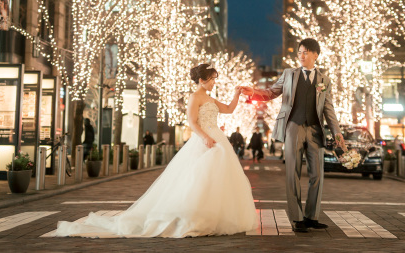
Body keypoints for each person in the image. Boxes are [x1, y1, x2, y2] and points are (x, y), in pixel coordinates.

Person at [55, 63, 255, 238]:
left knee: (215, 180)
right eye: (211, 80)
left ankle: (212, 216)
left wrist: (237, 94)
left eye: (214, 80)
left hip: (216, 140)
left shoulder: (211, 99)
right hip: (205, 140)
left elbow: (228, 109)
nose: (213, 83)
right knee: (197, 180)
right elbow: (192, 122)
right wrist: (205, 137)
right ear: (202, 80)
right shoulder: (195, 97)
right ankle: (195, 216)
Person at [241, 38, 347, 233]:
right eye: (299, 52)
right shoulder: (289, 74)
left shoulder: (325, 80)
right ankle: (297, 218)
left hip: (315, 130)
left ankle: (311, 216)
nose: (301, 56)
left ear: (316, 55)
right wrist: (254, 92)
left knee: (317, 175)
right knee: (293, 173)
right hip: (293, 127)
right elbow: (272, 92)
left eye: (305, 52)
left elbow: (328, 108)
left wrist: (337, 132)